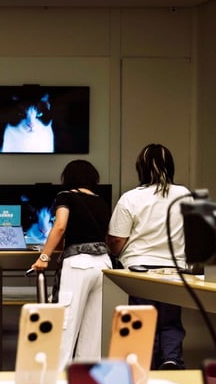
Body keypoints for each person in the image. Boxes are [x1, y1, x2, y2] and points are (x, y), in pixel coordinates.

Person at [106, 143, 191, 370]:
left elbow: (116, 239)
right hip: (174, 269)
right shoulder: (184, 195)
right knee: (171, 321)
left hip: (139, 270)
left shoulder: (131, 198)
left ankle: (144, 367)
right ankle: (171, 361)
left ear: (140, 168)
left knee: (142, 321)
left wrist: (115, 253)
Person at [30, 159, 112, 368]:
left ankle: (56, 379)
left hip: (78, 264)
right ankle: (86, 379)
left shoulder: (65, 196)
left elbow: (59, 226)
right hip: (103, 265)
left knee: (64, 323)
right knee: (93, 329)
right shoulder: (101, 201)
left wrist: (44, 257)